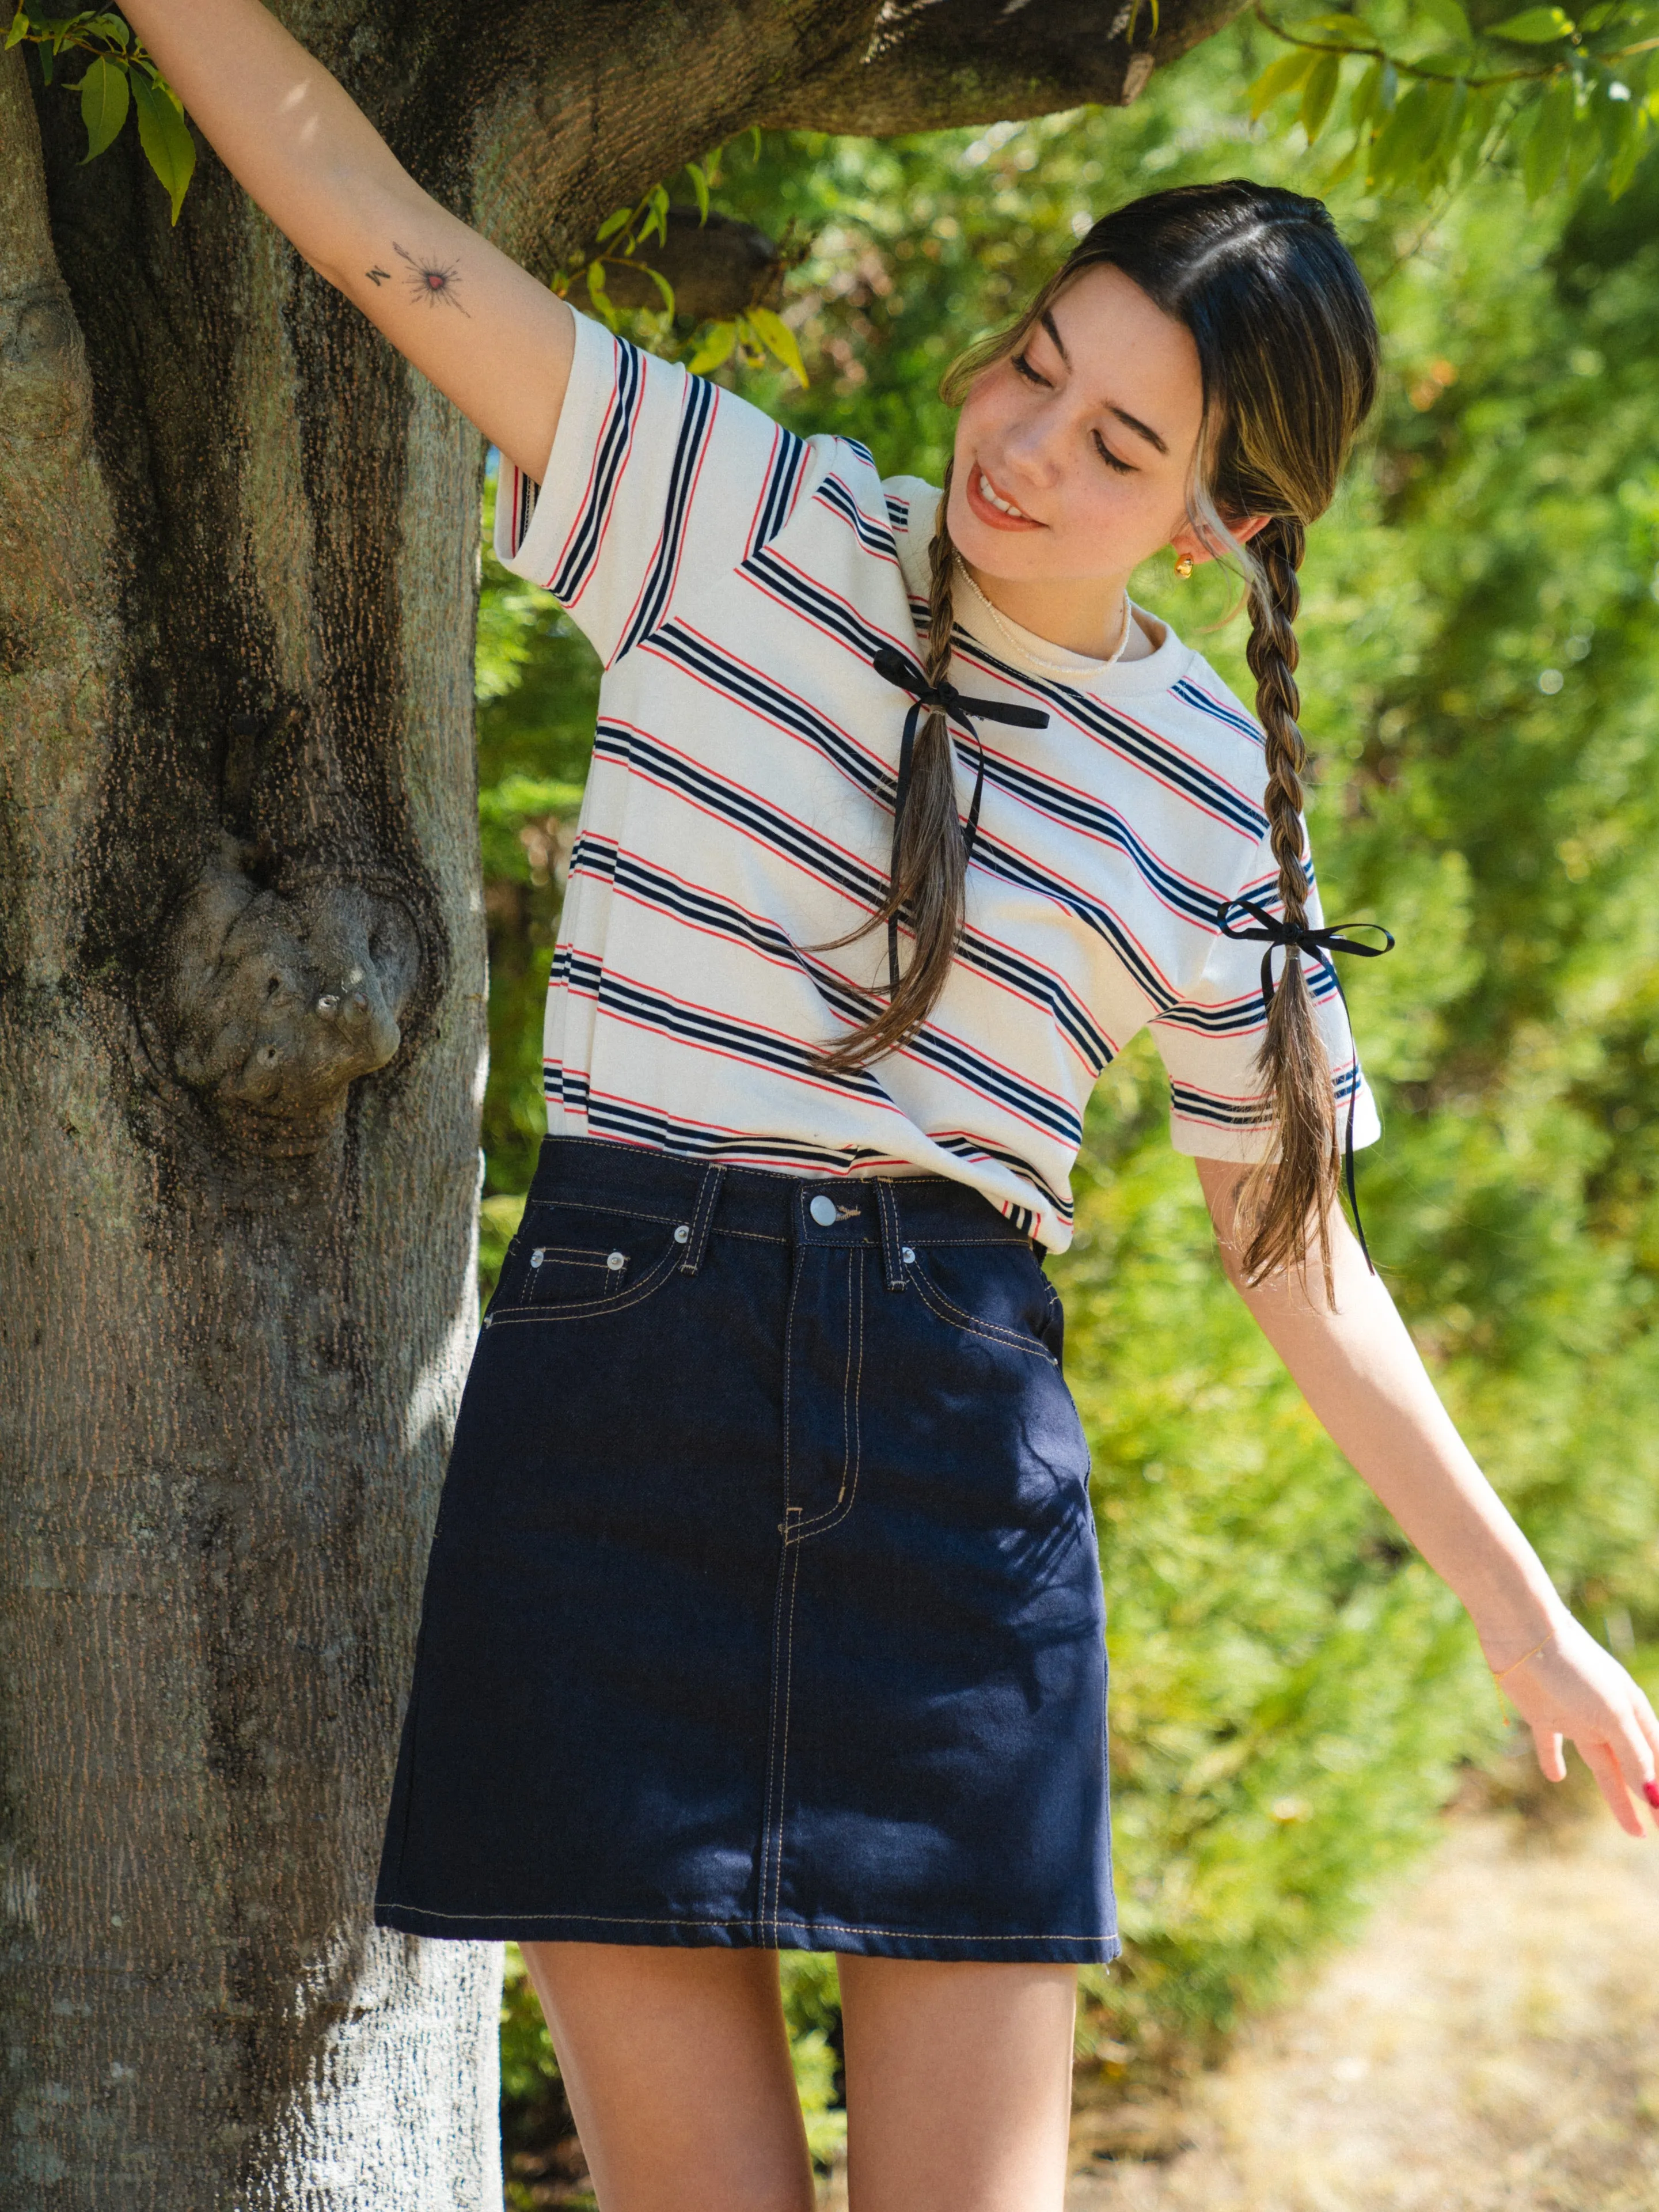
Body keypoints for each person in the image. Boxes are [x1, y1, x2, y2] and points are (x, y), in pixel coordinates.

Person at [121, 5, 1659, 2207]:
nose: (1023, 446)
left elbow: (1288, 1235)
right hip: (617, 1405)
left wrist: (1530, 1615)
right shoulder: (734, 515)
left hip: (952, 1466)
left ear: (1227, 526)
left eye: (1118, 444)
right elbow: (386, 241)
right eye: (1034, 360)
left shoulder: (1223, 796)